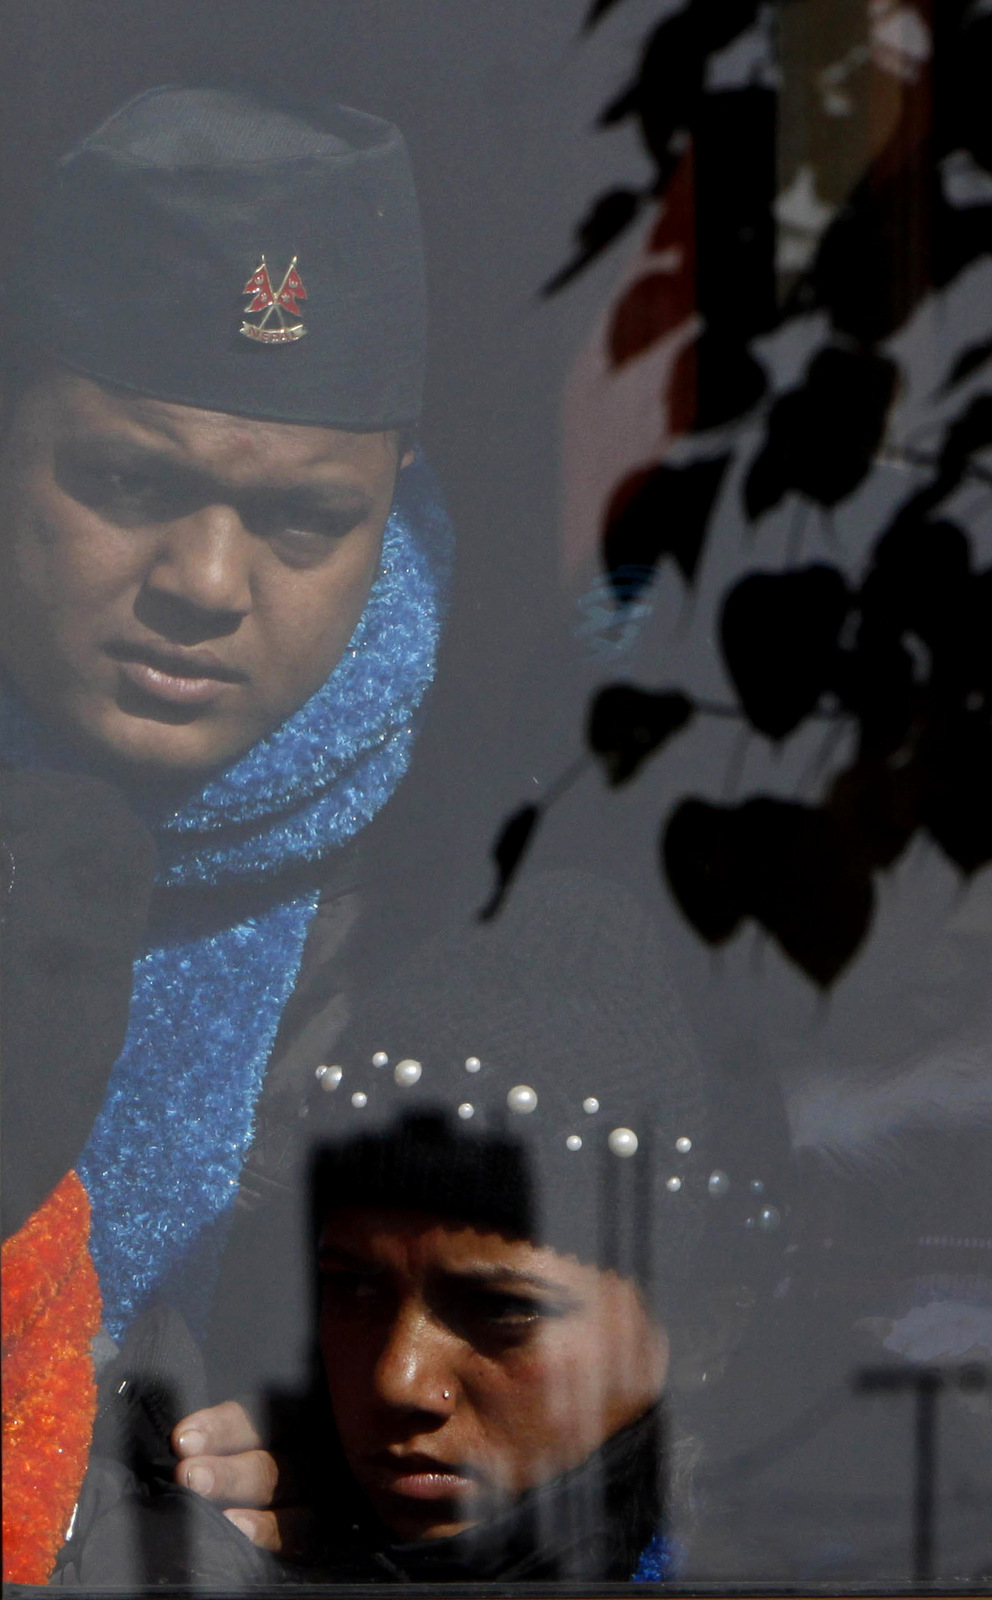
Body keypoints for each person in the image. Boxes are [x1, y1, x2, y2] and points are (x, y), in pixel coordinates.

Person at [0, 83, 450, 1583]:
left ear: (392, 511)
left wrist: (296, 1475)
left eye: (301, 523)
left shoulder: (446, 892)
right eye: (130, 483)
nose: (202, 578)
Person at [50, 868, 791, 1584]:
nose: (396, 1379)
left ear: (699, 1332)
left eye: (504, 1311)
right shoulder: (172, 1521)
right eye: (353, 1288)